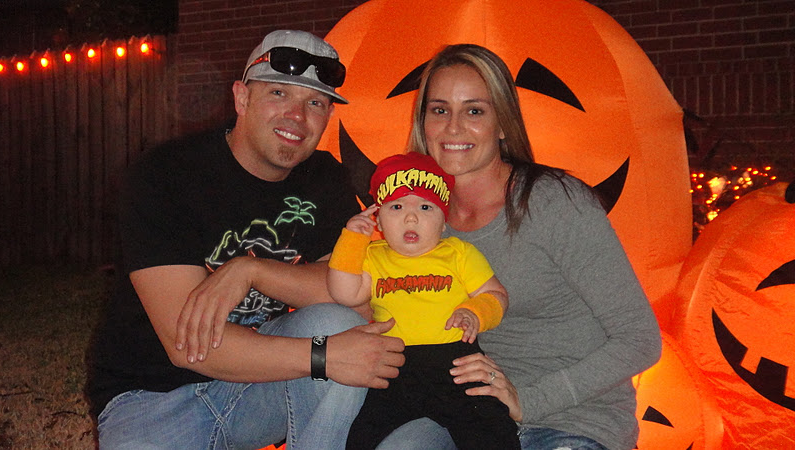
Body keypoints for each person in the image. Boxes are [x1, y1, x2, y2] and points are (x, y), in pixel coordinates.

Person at [86, 30, 405, 449]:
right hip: (152, 401)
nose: (297, 116)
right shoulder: (166, 175)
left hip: (257, 388)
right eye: (278, 93)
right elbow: (188, 346)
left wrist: (251, 270)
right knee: (338, 345)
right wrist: (324, 357)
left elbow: (353, 296)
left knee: (339, 323)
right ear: (241, 98)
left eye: (315, 103)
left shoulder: (324, 177)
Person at [375, 44, 662, 450]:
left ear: (502, 124)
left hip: (570, 419)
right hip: (466, 416)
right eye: (439, 110)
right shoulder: (414, 218)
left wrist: (530, 401)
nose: (453, 128)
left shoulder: (554, 202)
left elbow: (640, 339)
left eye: (474, 111)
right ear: (423, 122)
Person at [327, 152, 519, 449]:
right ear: (379, 220)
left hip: (456, 364)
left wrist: (475, 312)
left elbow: (497, 295)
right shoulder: (373, 256)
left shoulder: (458, 253)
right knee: (363, 436)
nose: (411, 217)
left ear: (443, 222)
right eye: (397, 206)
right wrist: (352, 241)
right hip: (394, 366)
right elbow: (344, 293)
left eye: (426, 207)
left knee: (491, 430)